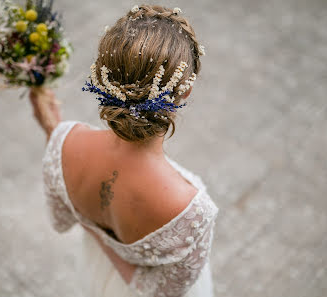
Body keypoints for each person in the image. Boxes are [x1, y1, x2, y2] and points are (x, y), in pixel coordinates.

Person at [29, 5, 219, 297]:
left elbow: (61, 221)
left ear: (104, 78)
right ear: (186, 90)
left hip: (97, 276)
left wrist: (52, 133)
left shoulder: (62, 143)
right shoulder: (193, 211)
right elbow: (163, 292)